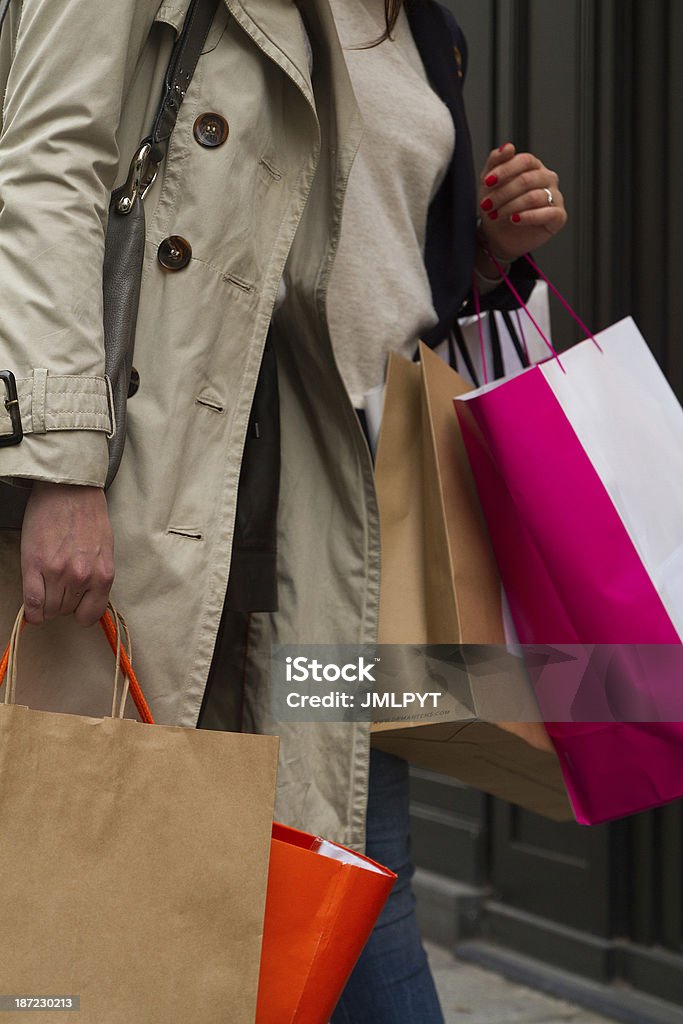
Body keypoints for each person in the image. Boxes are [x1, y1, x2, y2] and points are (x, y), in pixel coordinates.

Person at [0, 0, 566, 1020]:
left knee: (343, 874)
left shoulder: (422, 25)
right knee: (120, 922)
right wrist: (63, 464)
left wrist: (480, 254)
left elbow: (365, 277)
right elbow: (46, 168)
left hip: (362, 523)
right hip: (189, 489)